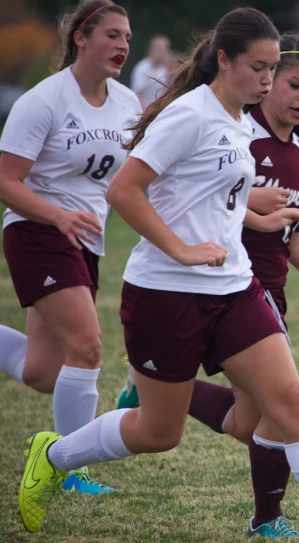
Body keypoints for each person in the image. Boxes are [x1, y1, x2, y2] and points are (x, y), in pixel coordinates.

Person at [17, 8, 299, 543]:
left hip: (235, 289)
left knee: (293, 407)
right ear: (224, 60)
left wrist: (260, 219)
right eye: (261, 68)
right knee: (160, 432)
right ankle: (56, 453)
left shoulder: (235, 120)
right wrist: (180, 249)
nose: (269, 81)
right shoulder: (190, 115)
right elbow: (124, 192)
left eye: (274, 70)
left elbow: (211, 199)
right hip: (166, 293)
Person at [116, 31, 299, 539]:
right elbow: (189, 201)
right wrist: (248, 210)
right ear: (263, 78)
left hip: (266, 290)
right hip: (227, 289)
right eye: (293, 83)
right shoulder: (231, 127)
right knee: (284, 414)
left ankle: (148, 385)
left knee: (252, 423)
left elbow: (294, 239)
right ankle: (286, 523)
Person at [0, 0, 140, 496]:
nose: (124, 45)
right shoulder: (43, 100)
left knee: (44, 371)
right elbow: (5, 181)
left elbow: (141, 178)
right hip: (37, 230)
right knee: (87, 347)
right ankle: (65, 467)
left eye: (127, 37)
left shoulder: (128, 104)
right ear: (81, 36)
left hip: (85, 240)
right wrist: (57, 215)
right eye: (113, 35)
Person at [130, 34, 170, 108]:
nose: (163, 53)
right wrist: (146, 113)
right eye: (160, 49)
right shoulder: (142, 67)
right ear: (152, 49)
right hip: (141, 112)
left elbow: (164, 94)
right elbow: (139, 94)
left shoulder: (163, 69)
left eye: (165, 49)